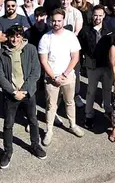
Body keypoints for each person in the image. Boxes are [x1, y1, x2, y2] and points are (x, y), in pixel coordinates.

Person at [0, 26, 46, 169]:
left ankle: (35, 145)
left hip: (27, 93)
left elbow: (36, 72)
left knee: (33, 120)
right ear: (8, 37)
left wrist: (24, 90)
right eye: (12, 36)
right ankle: (7, 151)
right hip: (11, 95)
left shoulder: (30, 49)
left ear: (22, 37)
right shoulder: (1, 52)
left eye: (18, 36)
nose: (15, 39)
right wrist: (13, 91)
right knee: (8, 124)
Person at [38, 9, 85, 146]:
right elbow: (43, 61)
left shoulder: (70, 36)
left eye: (59, 20)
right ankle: (49, 130)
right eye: (54, 20)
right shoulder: (46, 38)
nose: (56, 23)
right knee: (51, 105)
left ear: (63, 21)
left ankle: (73, 125)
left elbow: (75, 57)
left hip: (68, 75)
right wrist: (54, 77)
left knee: (69, 102)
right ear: (50, 20)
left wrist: (64, 74)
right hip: (51, 78)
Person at [78, 5, 115, 129]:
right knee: (91, 91)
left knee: (107, 90)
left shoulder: (109, 29)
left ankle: (108, 111)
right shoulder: (85, 30)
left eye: (100, 15)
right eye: (95, 15)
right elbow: (81, 48)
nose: (98, 18)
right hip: (92, 66)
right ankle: (89, 115)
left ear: (104, 15)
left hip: (107, 65)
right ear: (92, 15)